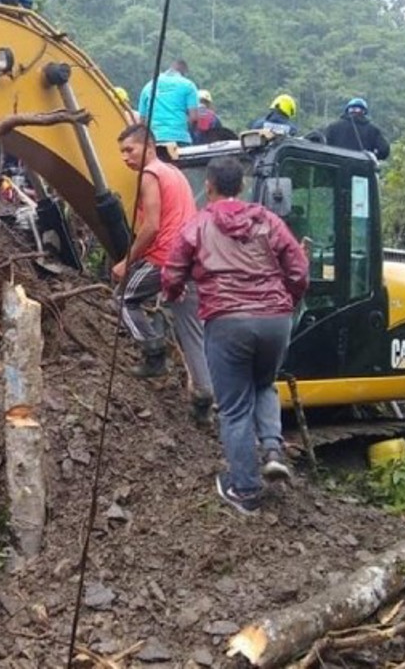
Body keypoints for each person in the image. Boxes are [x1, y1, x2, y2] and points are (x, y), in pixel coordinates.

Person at [162, 156, 309, 515]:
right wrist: (286, 298)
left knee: (233, 408)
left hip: (227, 320)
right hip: (276, 319)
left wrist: (174, 292)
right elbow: (298, 267)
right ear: (242, 187)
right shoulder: (268, 220)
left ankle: (244, 489)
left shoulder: (198, 224)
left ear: (208, 186)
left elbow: (172, 270)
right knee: (263, 384)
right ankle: (273, 449)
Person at [112, 124, 214, 413]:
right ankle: (204, 398)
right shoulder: (176, 174)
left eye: (129, 149)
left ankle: (154, 354)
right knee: (192, 330)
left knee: (122, 299)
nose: (124, 157)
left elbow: (152, 226)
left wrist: (126, 262)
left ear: (148, 147)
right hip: (192, 258)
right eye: (121, 152)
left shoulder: (150, 174)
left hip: (165, 258)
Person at [135, 59, 199, 146]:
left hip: (154, 139)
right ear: (184, 72)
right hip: (179, 139)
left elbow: (142, 121)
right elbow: (194, 118)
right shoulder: (188, 85)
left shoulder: (148, 86)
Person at [323, 97, 390, 160]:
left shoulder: (333, 126)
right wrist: (373, 157)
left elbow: (321, 145)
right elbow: (384, 150)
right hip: (362, 167)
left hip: (334, 166)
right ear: (364, 112)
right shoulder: (373, 130)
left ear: (347, 111)